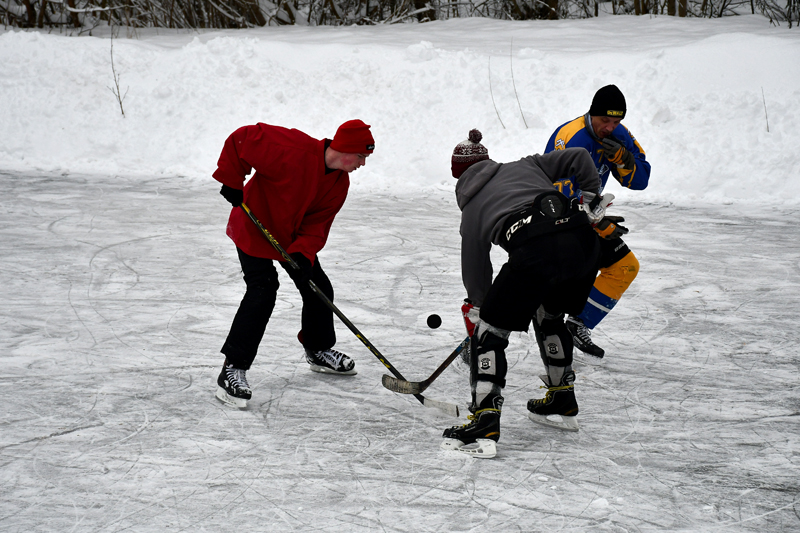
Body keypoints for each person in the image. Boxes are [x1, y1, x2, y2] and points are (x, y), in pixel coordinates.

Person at [443, 129, 611, 458]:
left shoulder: (473, 210)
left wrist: (480, 307)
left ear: (458, 177)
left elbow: (476, 268)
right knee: (550, 315)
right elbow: (578, 157)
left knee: (489, 332)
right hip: (584, 241)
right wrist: (591, 197)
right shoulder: (527, 165)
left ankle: (484, 420)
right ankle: (561, 397)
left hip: (538, 248)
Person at [211, 119, 375, 408]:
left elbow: (317, 224)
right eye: (362, 156)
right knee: (263, 290)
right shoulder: (291, 149)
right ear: (345, 149)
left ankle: (318, 349)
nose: (364, 163)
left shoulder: (339, 182)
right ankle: (232, 369)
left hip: (289, 238)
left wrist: (303, 252)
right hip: (253, 227)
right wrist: (231, 179)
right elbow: (242, 138)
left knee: (318, 287)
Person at [544, 84, 651, 359]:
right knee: (537, 287)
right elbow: (556, 198)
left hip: (587, 218)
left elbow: (640, 181)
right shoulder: (572, 138)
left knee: (625, 267)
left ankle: (577, 323)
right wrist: (595, 221)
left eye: (616, 121)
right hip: (553, 223)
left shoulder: (619, 133)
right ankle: (483, 336)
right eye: (605, 120)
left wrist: (625, 160)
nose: (610, 127)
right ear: (592, 114)